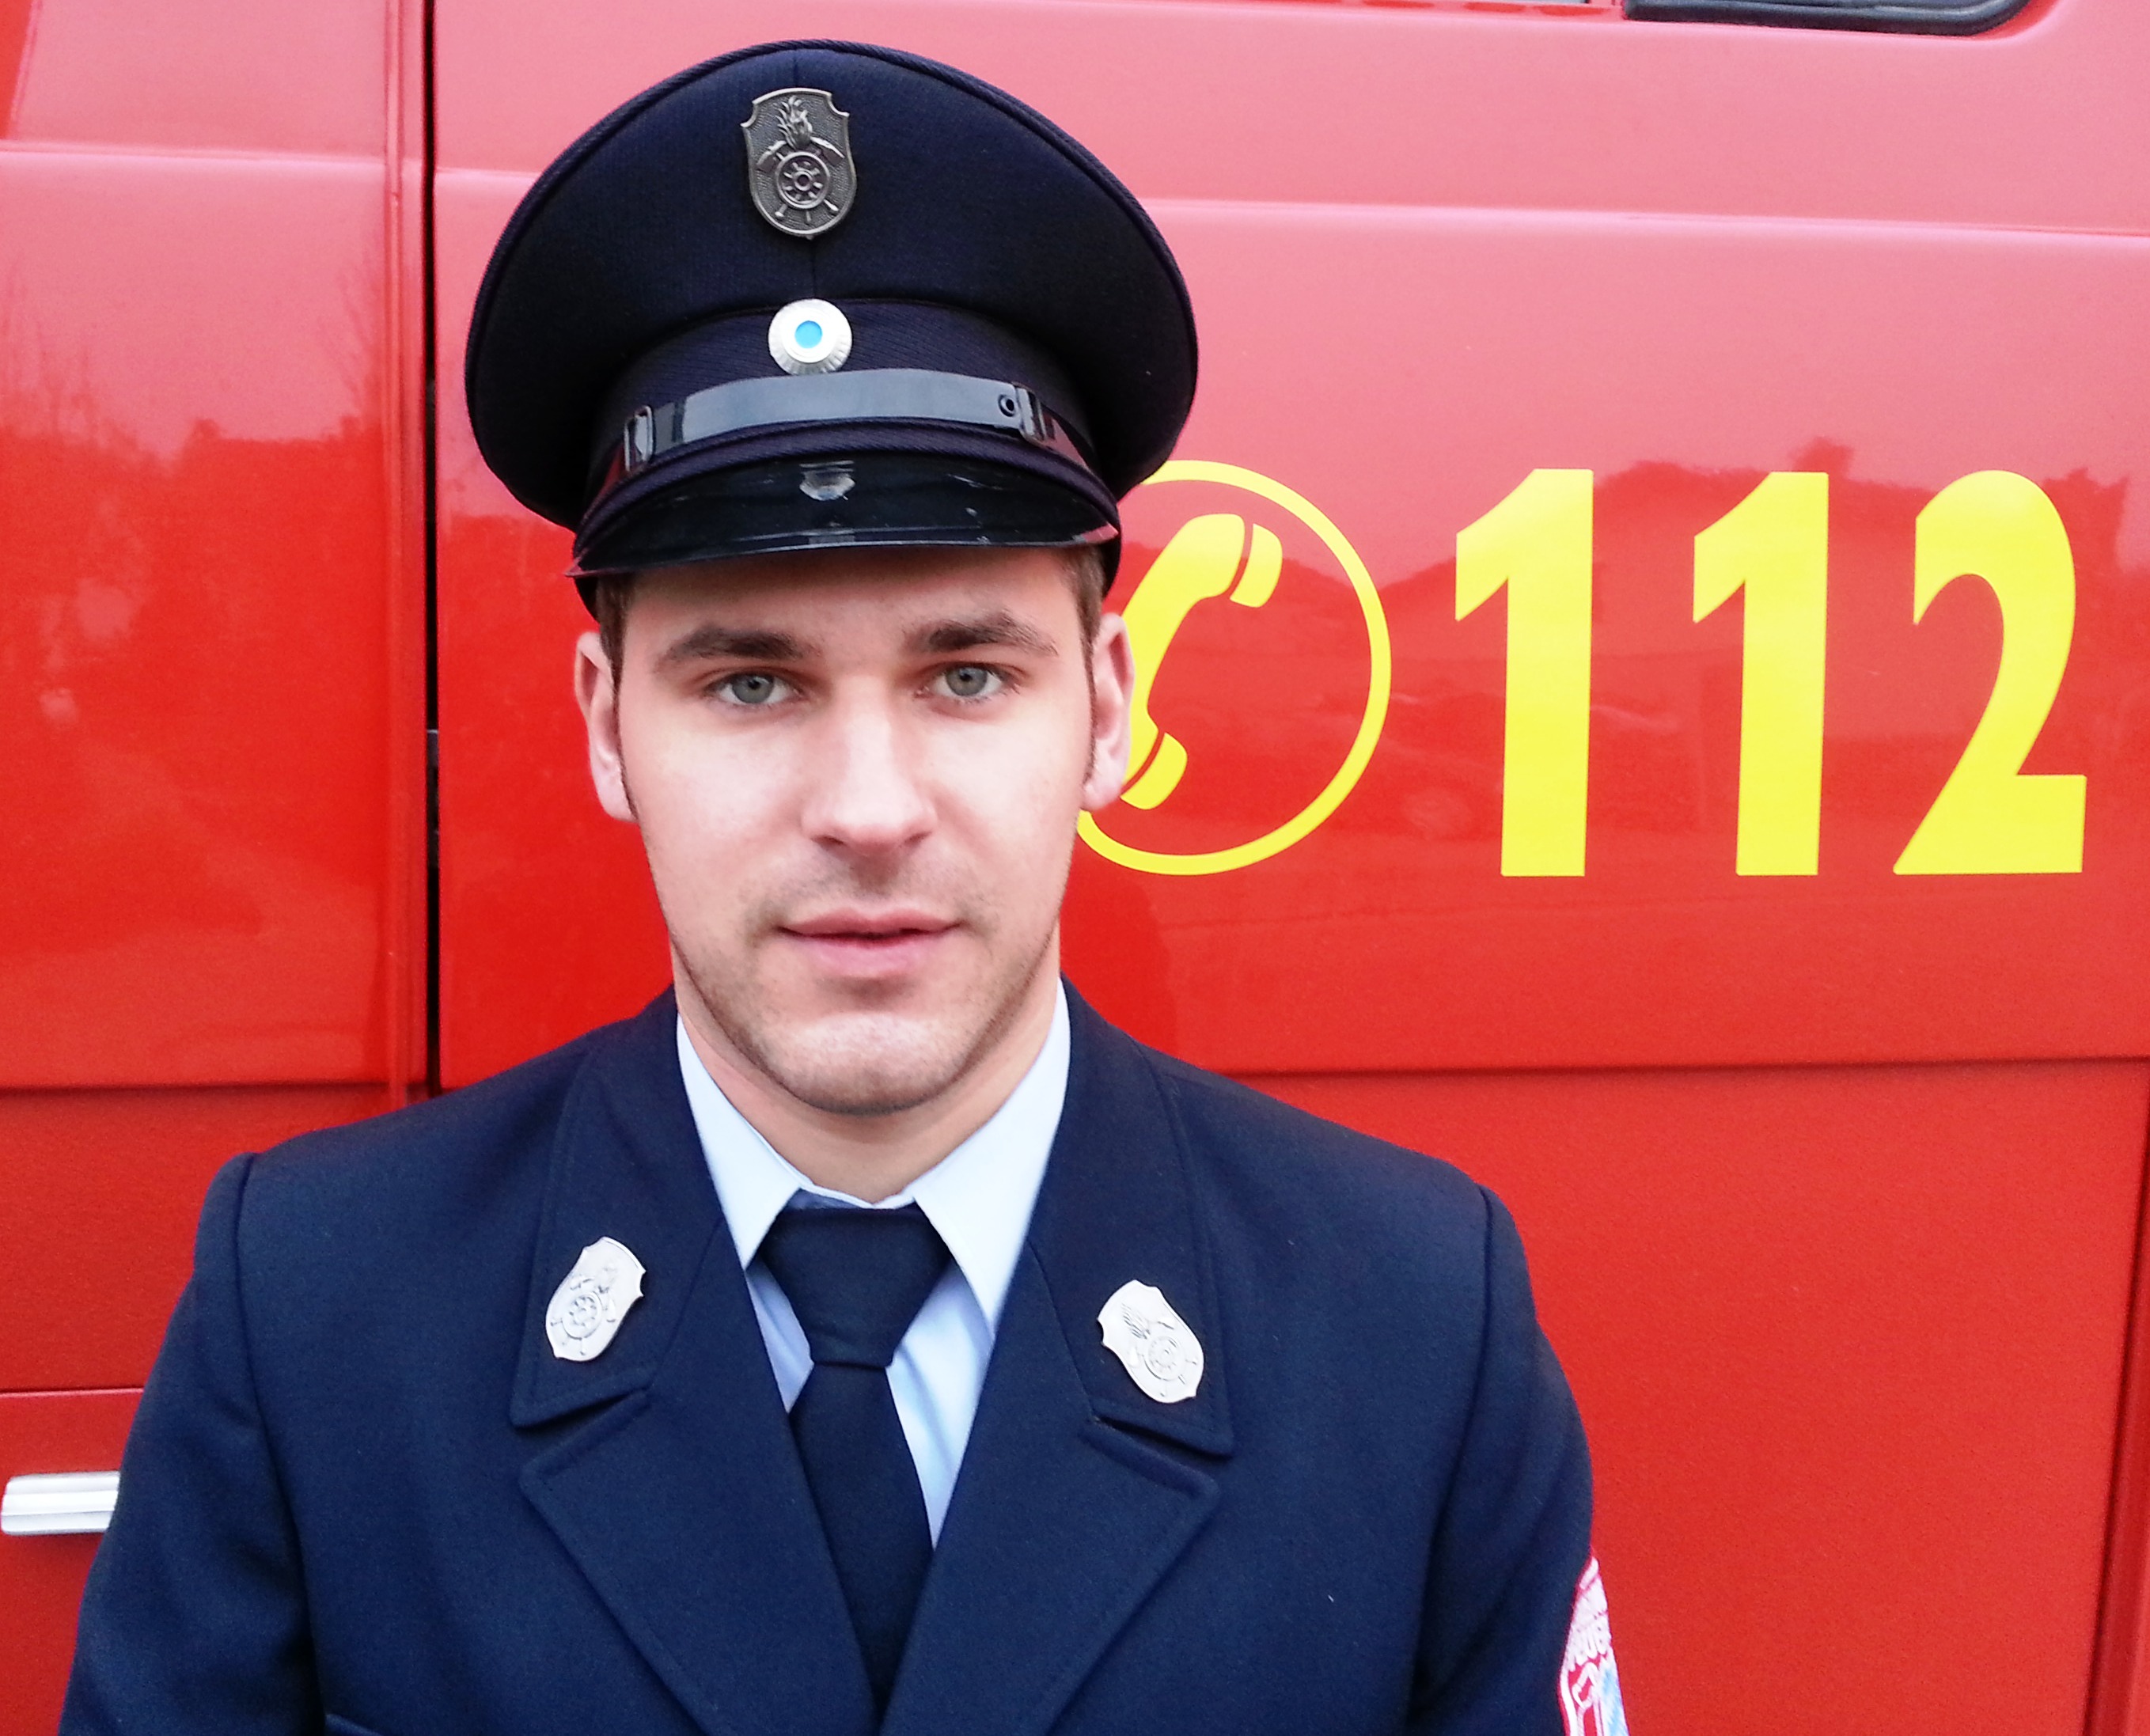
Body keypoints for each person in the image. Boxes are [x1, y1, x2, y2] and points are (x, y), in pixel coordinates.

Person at [62, 40, 1620, 1736]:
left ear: (1106, 711)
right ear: (605, 726)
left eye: (966, 675)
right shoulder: (314, 1312)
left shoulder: (1416, 1324)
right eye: (750, 683)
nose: (868, 811)